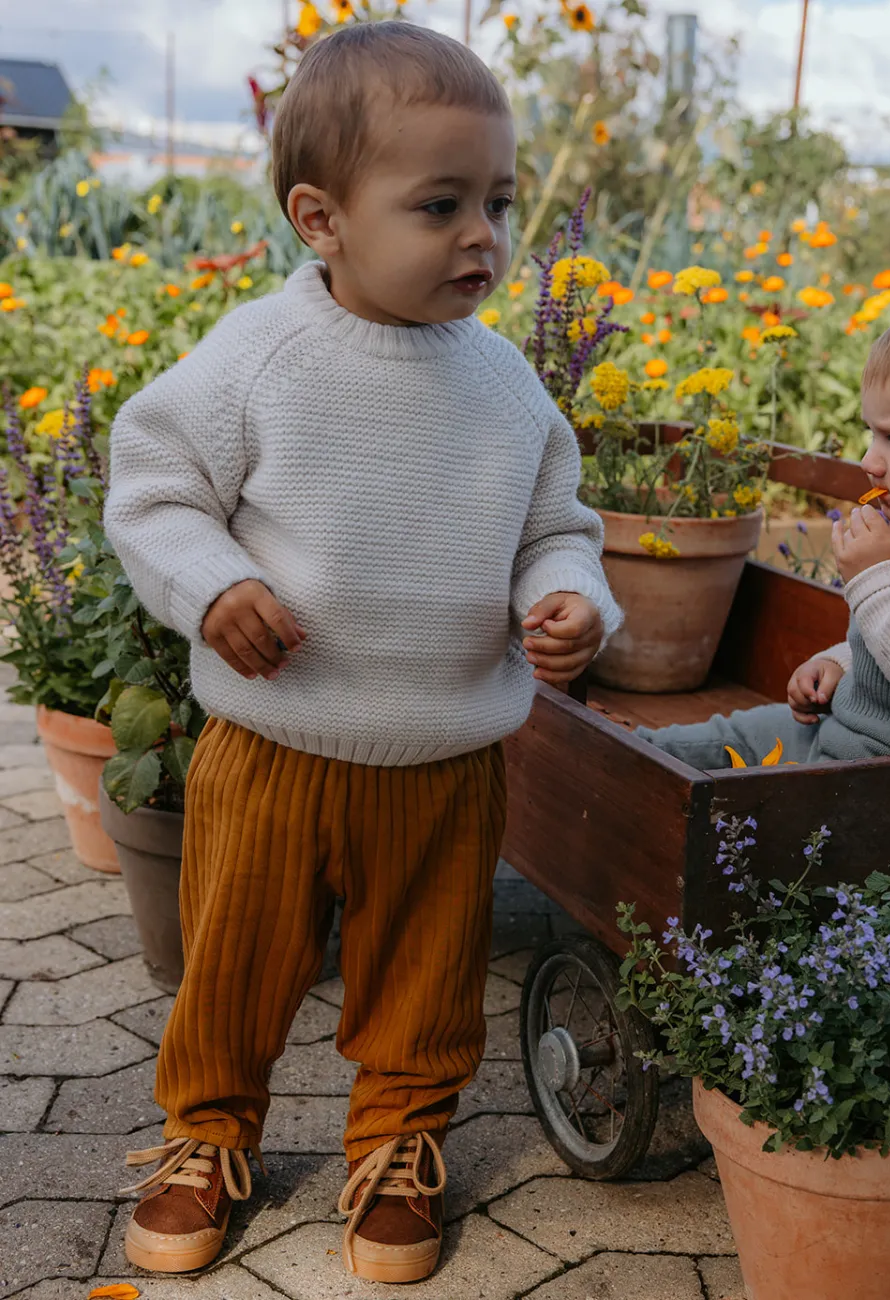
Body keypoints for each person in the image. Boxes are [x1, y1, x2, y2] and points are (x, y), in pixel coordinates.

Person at [104, 22, 620, 1281]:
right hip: (273, 743)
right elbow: (154, 490)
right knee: (233, 957)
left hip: (444, 755)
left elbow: (558, 526)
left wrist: (568, 595)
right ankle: (207, 1132)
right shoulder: (261, 360)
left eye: (497, 201)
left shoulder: (508, 387)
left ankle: (399, 1141)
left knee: (425, 978)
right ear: (320, 218)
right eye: (438, 205)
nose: (481, 236)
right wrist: (212, 582)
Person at [637, 290, 890, 770]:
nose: (871, 460)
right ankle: (623, 756)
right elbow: (889, 645)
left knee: (763, 796)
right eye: (872, 434)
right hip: (846, 732)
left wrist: (878, 577)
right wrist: (838, 664)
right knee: (730, 735)